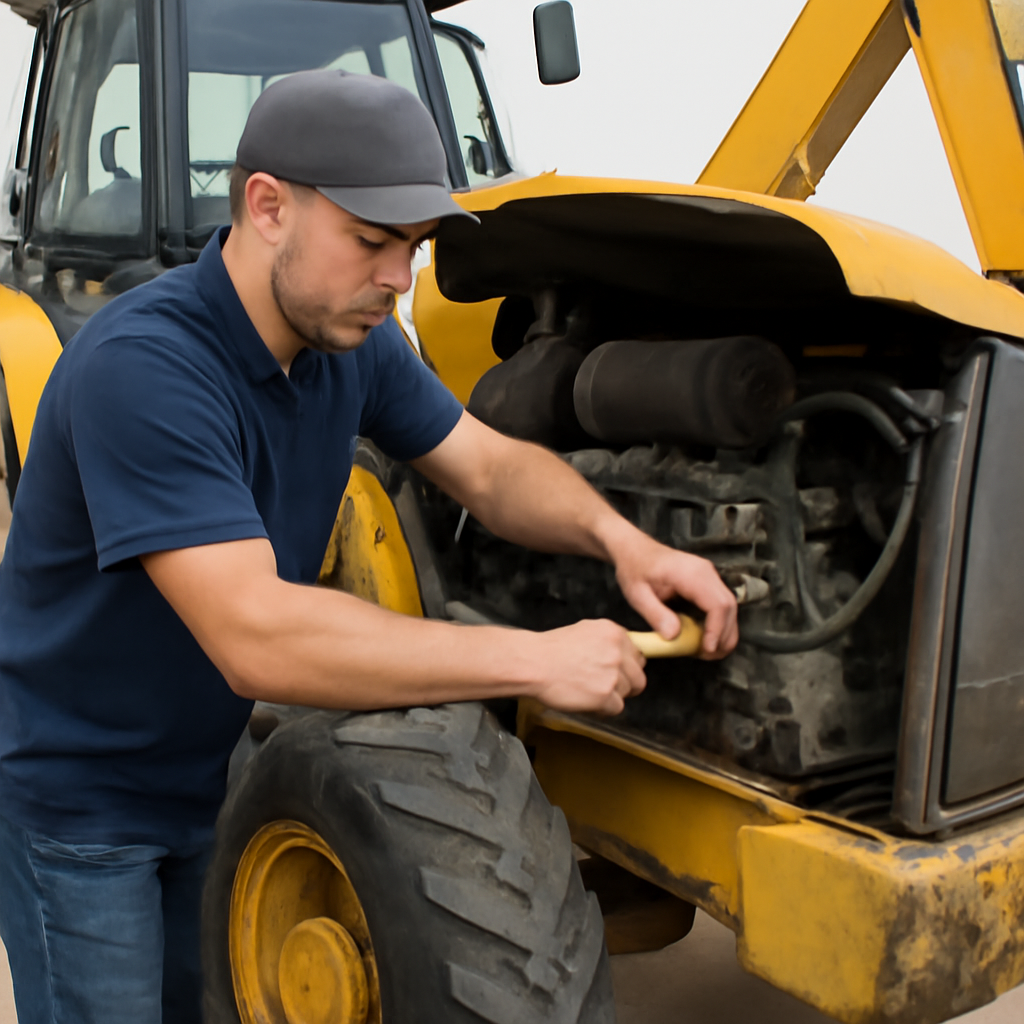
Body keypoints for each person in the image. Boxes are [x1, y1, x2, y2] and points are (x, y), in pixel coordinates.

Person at [0, 70, 738, 1023]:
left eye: (416, 249)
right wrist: (534, 660)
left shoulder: (354, 344)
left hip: (198, 772)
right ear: (267, 206)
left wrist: (624, 542)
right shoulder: (143, 369)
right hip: (81, 802)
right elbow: (257, 636)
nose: (400, 279)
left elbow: (489, 467)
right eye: (371, 242)